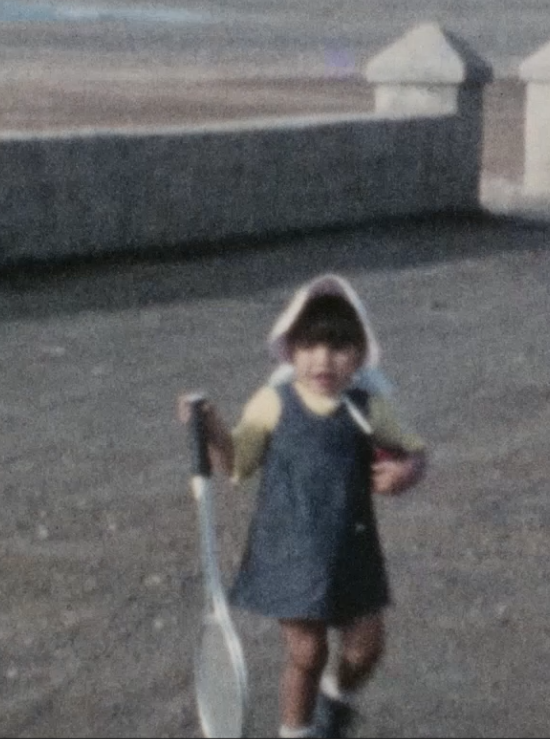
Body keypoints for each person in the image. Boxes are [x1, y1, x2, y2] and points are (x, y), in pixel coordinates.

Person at [178, 274, 428, 737]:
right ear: (291, 350)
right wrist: (211, 427)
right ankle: (295, 731)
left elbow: (415, 449)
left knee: (365, 647)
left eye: (339, 348)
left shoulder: (367, 407)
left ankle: (337, 701)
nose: (323, 360)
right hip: (289, 551)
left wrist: (408, 470)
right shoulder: (273, 402)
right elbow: (238, 461)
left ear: (359, 354)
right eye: (310, 347)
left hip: (351, 551)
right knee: (307, 653)